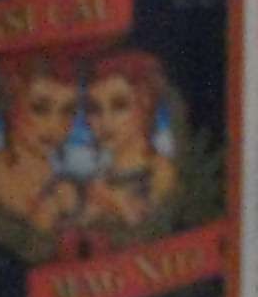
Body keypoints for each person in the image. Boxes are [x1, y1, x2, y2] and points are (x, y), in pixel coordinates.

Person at [74, 50, 185, 240]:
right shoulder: (100, 176)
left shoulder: (160, 169)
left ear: (144, 103)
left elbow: (153, 231)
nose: (105, 121)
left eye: (119, 106)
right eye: (94, 109)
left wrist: (115, 201)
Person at [0, 51, 87, 250]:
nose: (55, 126)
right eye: (40, 108)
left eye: (68, 110)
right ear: (12, 104)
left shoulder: (66, 181)